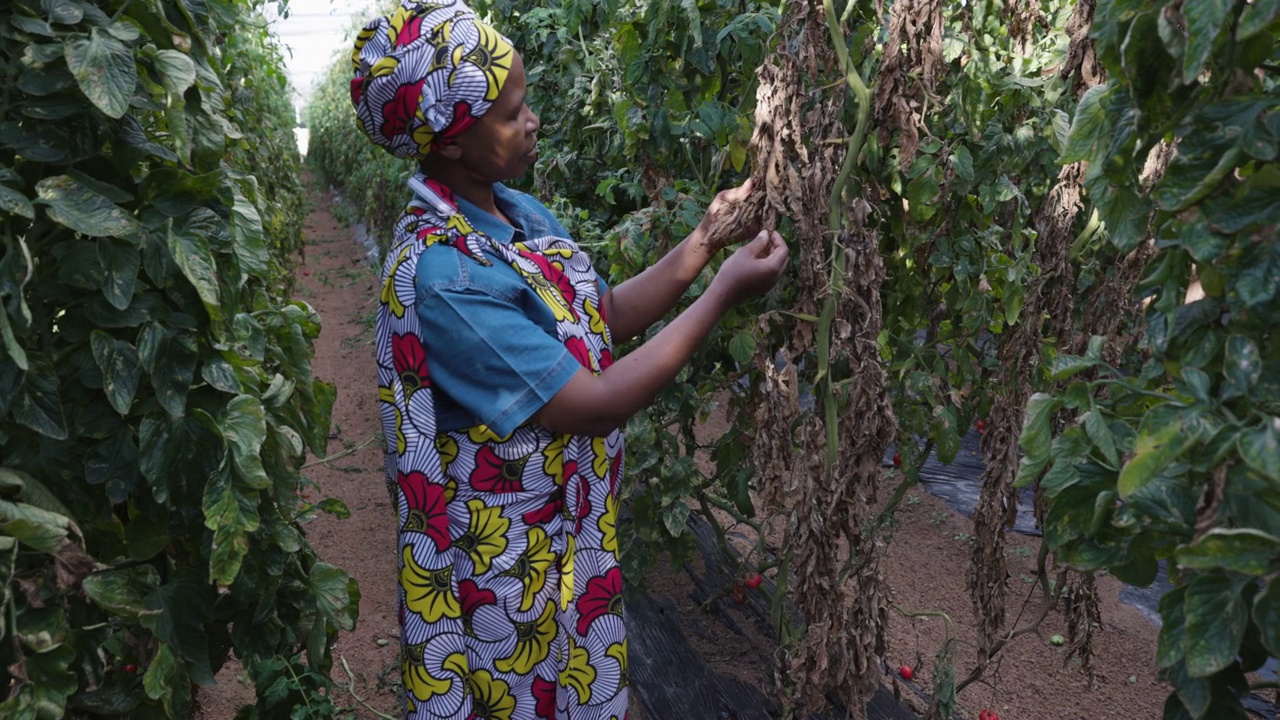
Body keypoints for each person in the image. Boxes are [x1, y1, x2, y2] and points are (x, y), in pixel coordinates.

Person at [351, 2, 788, 718]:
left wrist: (707, 239)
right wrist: (723, 294)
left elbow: (603, 315)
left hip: (563, 547)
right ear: (452, 141)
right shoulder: (445, 278)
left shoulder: (515, 216)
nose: (534, 122)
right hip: (508, 578)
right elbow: (595, 401)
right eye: (511, 113)